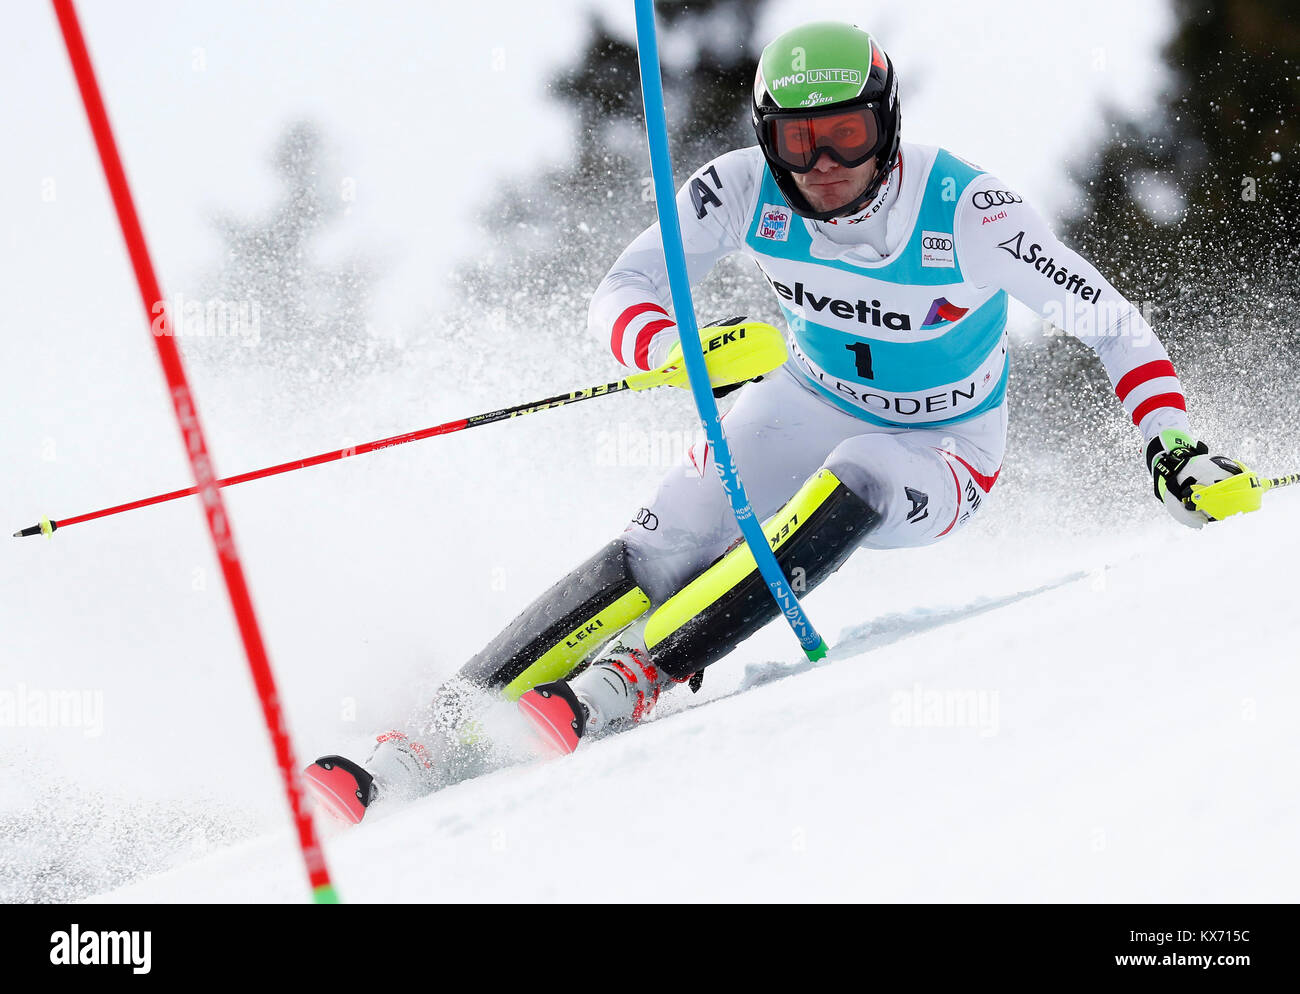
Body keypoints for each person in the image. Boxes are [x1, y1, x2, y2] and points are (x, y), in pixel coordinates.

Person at [304, 21, 1246, 823]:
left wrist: (1173, 446)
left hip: (944, 448)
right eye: (800, 144)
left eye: (847, 136)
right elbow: (623, 290)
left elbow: (1111, 321)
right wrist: (670, 349)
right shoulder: (739, 189)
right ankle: (416, 744)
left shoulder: (973, 212)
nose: (826, 166)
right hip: (805, 396)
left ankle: (630, 680)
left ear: (889, 126)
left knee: (863, 467)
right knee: (664, 539)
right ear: (769, 139)